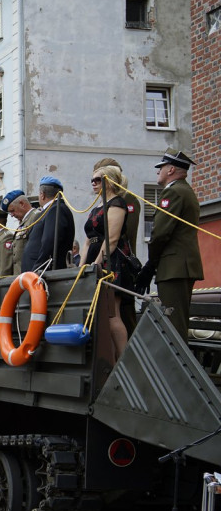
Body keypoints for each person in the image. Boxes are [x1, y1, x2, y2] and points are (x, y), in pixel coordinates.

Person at [137, 148, 204, 341]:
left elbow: (160, 233)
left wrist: (150, 264)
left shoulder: (174, 192)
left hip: (174, 267)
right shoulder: (184, 191)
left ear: (171, 169)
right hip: (178, 265)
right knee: (175, 322)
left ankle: (177, 370)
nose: (158, 171)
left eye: (162, 167)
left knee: (173, 325)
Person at [80, 164, 136, 360]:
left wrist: (97, 264)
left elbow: (111, 239)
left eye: (98, 180)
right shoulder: (97, 205)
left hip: (111, 262)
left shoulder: (117, 203)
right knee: (102, 316)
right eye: (92, 180)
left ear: (110, 182)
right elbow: (88, 240)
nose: (93, 183)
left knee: (112, 314)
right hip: (95, 258)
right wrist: (82, 267)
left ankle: (124, 360)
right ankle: (111, 363)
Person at [23, 176, 74, 271]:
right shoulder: (50, 210)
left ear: (42, 195)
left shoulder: (56, 209)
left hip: (43, 272)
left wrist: (38, 267)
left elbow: (49, 241)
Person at [3, 189, 36, 275]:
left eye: (12, 210)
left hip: (30, 275)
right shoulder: (23, 222)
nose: (12, 215)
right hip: (20, 276)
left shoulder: (36, 217)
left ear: (22, 204)